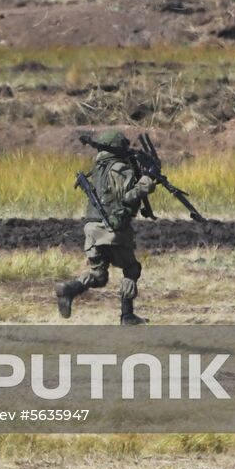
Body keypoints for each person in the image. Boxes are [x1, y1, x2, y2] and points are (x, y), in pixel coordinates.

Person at [56, 130, 154, 325]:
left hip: (92, 230)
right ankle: (127, 315)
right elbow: (128, 196)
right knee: (132, 268)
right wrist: (146, 181)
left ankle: (69, 290)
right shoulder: (119, 168)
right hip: (111, 230)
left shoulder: (98, 169)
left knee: (99, 276)